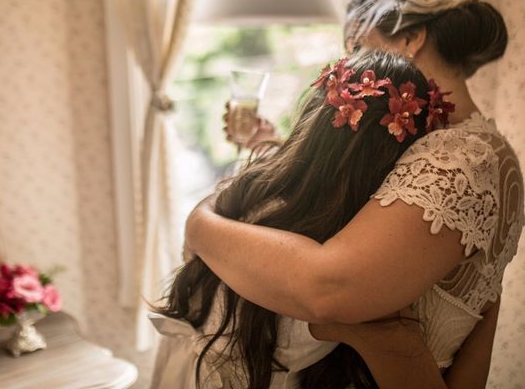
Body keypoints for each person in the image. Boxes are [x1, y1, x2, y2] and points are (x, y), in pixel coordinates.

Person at [185, 0, 524, 388]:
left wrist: (200, 224)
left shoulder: (457, 160)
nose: (353, 63)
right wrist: (271, 148)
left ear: (409, 39)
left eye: (357, 46)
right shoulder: (476, 150)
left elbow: (326, 286)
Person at [151, 50, 463, 388]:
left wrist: (200, 220)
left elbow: (301, 173)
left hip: (176, 369)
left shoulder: (252, 195)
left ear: (312, 121)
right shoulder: (355, 283)